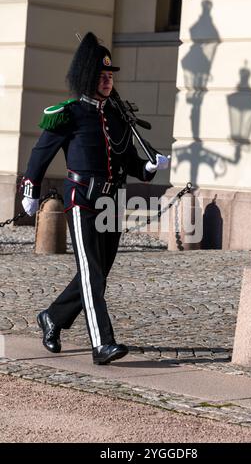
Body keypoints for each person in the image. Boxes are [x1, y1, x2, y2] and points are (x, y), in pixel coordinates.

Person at [21, 32, 169, 365]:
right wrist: (30, 188)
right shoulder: (69, 113)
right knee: (91, 271)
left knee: (98, 272)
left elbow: (127, 158)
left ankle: (53, 317)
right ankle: (102, 343)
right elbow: (40, 153)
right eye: (102, 76)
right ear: (88, 78)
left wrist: (148, 168)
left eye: (110, 76)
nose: (107, 80)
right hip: (82, 200)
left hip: (112, 203)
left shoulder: (117, 115)